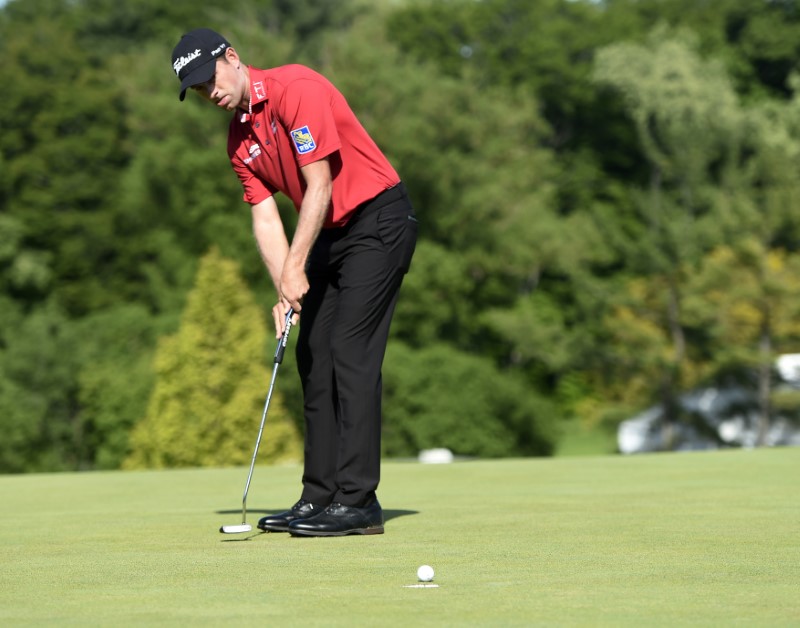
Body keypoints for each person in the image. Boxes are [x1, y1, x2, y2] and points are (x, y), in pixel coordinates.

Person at [171, 29, 417, 536]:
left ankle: (358, 502)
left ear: (232, 59)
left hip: (377, 221)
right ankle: (319, 496)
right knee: (313, 356)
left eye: (207, 79)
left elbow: (320, 183)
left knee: (350, 351)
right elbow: (265, 220)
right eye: (196, 90)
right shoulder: (239, 141)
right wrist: (284, 289)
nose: (208, 93)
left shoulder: (295, 88)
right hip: (325, 231)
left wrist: (295, 268)